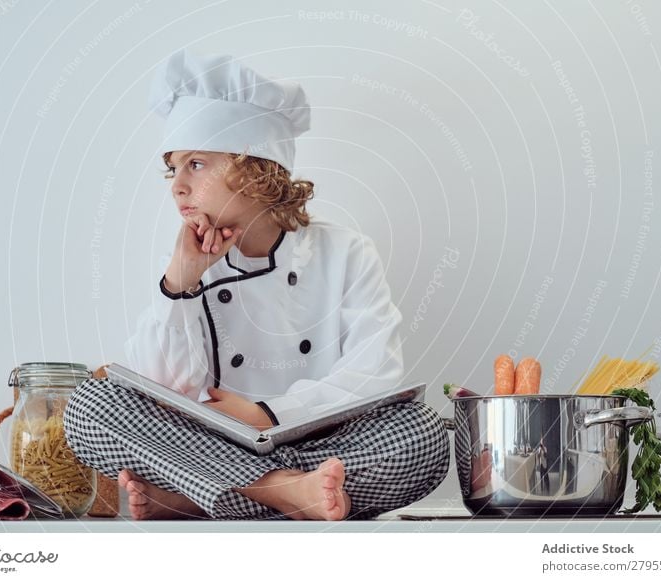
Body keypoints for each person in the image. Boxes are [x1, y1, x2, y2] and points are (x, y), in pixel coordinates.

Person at [63, 50, 449, 520]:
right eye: (174, 168)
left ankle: (200, 497)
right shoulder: (187, 259)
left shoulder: (346, 252)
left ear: (255, 169)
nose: (177, 186)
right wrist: (179, 284)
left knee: (422, 433)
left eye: (196, 164)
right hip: (208, 440)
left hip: (321, 439)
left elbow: (374, 374)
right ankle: (287, 493)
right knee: (90, 406)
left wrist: (268, 414)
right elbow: (160, 390)